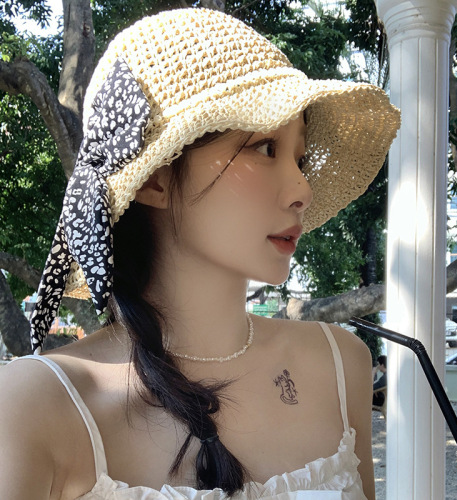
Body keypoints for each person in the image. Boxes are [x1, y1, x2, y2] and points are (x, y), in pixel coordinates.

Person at [0, 8, 400, 500]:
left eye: (299, 159)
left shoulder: (341, 364)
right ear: (155, 177)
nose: (303, 190)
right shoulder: (36, 406)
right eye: (265, 148)